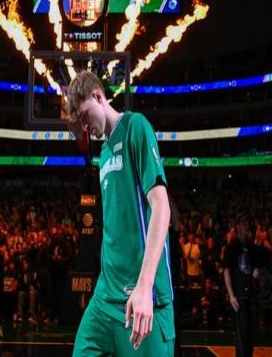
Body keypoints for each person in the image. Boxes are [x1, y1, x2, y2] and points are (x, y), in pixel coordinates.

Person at [67, 71, 175, 356]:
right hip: (105, 298)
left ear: (98, 96)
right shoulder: (103, 153)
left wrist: (144, 287)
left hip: (140, 296)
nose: (84, 126)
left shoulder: (135, 126)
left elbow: (161, 206)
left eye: (84, 115)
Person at [223, 214, 263, 357]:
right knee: (242, 334)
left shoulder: (252, 247)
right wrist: (231, 295)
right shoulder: (231, 247)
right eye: (244, 223)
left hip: (252, 294)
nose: (246, 226)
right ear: (238, 227)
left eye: (247, 223)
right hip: (239, 295)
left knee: (250, 335)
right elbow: (226, 271)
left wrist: (258, 272)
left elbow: (259, 268)